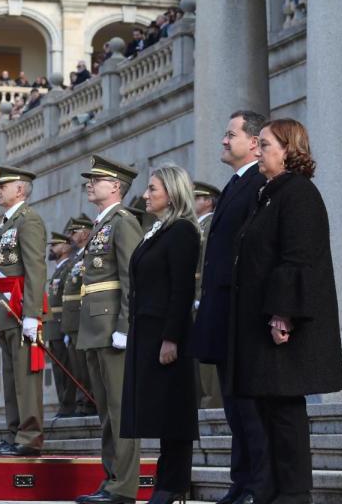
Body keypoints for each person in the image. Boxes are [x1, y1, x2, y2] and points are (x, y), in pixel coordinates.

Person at [231, 119, 342, 504]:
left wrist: (283, 312)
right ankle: (269, 489)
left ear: (288, 149)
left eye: (264, 144)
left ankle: (294, 493)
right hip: (259, 324)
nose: (258, 150)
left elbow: (298, 257)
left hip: (281, 325)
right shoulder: (270, 194)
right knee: (265, 408)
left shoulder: (298, 193)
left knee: (283, 412)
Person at [188, 110, 270, 504]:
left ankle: (256, 484)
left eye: (230, 134)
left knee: (249, 406)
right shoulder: (237, 183)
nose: (224, 141)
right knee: (234, 405)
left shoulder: (258, 183)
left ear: (253, 143)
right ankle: (241, 481)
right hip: (222, 309)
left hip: (242, 310)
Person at [121, 165, 200, 504]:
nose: (146, 195)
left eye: (153, 189)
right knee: (160, 412)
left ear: (171, 192)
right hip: (146, 330)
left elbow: (181, 289)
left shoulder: (182, 231)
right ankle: (165, 482)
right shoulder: (157, 230)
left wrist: (172, 337)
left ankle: (173, 484)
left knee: (174, 413)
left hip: (167, 333)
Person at [75, 155, 143, 504]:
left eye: (97, 179)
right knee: (105, 411)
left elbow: (133, 279)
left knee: (120, 410)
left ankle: (124, 486)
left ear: (115, 186)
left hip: (112, 327)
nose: (90, 183)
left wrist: (125, 327)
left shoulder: (123, 222)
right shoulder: (102, 224)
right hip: (94, 327)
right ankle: (112, 478)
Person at [0, 166, 47, 457]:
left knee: (25, 378)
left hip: (22, 309)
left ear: (20, 190)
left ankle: (30, 436)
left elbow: (35, 268)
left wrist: (33, 314)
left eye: (4, 185)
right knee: (10, 379)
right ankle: (13, 434)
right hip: (6, 310)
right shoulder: (7, 222)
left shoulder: (28, 220)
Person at [61, 215, 98, 417]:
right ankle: (83, 401)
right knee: (77, 365)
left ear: (85, 233)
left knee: (85, 364)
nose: (72, 236)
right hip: (72, 320)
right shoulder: (77, 258)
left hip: (82, 317)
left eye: (75, 232)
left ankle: (90, 401)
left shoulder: (89, 253)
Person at [191, 181, 222, 410]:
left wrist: (201, 293)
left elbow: (207, 261)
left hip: (202, 296)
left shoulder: (210, 224)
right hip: (191, 299)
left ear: (209, 201)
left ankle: (211, 402)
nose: (192, 202)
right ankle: (200, 400)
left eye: (197, 198)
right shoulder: (195, 226)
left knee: (206, 356)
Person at [45, 231, 75, 418]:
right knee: (58, 369)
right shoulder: (58, 269)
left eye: (55, 245)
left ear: (65, 247)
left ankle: (69, 405)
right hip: (53, 328)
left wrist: (65, 328)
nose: (51, 249)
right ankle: (63, 404)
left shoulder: (69, 267)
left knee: (68, 368)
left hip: (62, 325)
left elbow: (67, 301)